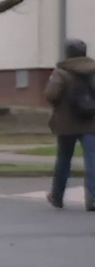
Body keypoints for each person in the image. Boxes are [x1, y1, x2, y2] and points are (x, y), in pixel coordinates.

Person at [43, 38, 95, 211]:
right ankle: (93, 199)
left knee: (64, 159)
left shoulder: (61, 73)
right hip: (91, 123)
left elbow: (51, 95)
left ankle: (57, 196)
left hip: (66, 124)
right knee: (92, 160)